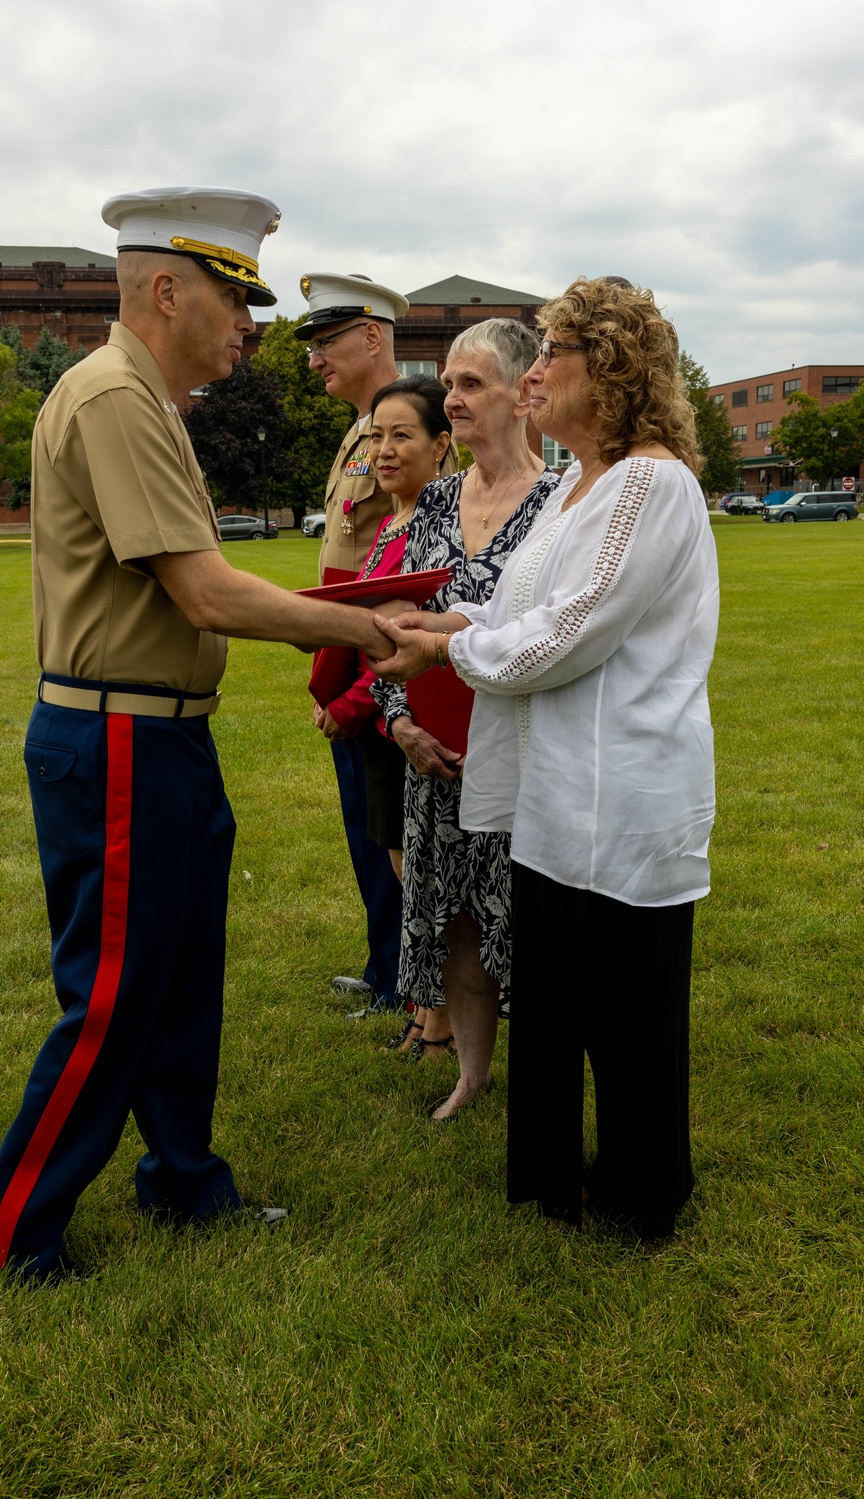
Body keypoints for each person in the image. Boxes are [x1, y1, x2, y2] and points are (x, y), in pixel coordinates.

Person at [0, 187, 398, 1281]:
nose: (250, 322)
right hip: (117, 744)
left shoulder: (147, 400)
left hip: (161, 739)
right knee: (111, 996)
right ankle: (7, 1230)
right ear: (165, 289)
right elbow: (204, 593)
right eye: (232, 295)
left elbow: (210, 583)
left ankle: (184, 1183)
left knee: (181, 981)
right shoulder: (114, 396)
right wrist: (366, 627)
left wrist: (366, 606)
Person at [372, 277, 718, 1236]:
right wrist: (449, 619)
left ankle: (642, 1195)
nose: (537, 375)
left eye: (553, 354)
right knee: (560, 1003)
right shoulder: (575, 482)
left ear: (606, 371)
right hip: (557, 794)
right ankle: (550, 1181)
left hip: (627, 791)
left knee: (631, 1016)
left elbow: (569, 635)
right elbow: (522, 612)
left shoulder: (653, 482)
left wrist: (447, 648)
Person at [372, 319, 560, 1107]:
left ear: (524, 394)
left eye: (470, 383)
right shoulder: (437, 497)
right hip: (435, 759)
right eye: (447, 382)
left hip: (523, 756)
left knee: (533, 927)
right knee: (454, 923)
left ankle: (547, 1082)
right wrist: (397, 722)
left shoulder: (562, 503)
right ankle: (472, 1075)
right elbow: (394, 618)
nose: (451, 397)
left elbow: (557, 631)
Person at [296, 274, 457, 1016]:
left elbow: (417, 582)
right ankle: (384, 965)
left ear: (371, 336)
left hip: (388, 672)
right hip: (352, 668)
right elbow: (348, 568)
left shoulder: (420, 427)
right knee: (370, 832)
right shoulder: (358, 432)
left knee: (396, 835)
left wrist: (363, 694)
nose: (314, 360)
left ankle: (406, 984)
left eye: (325, 342)